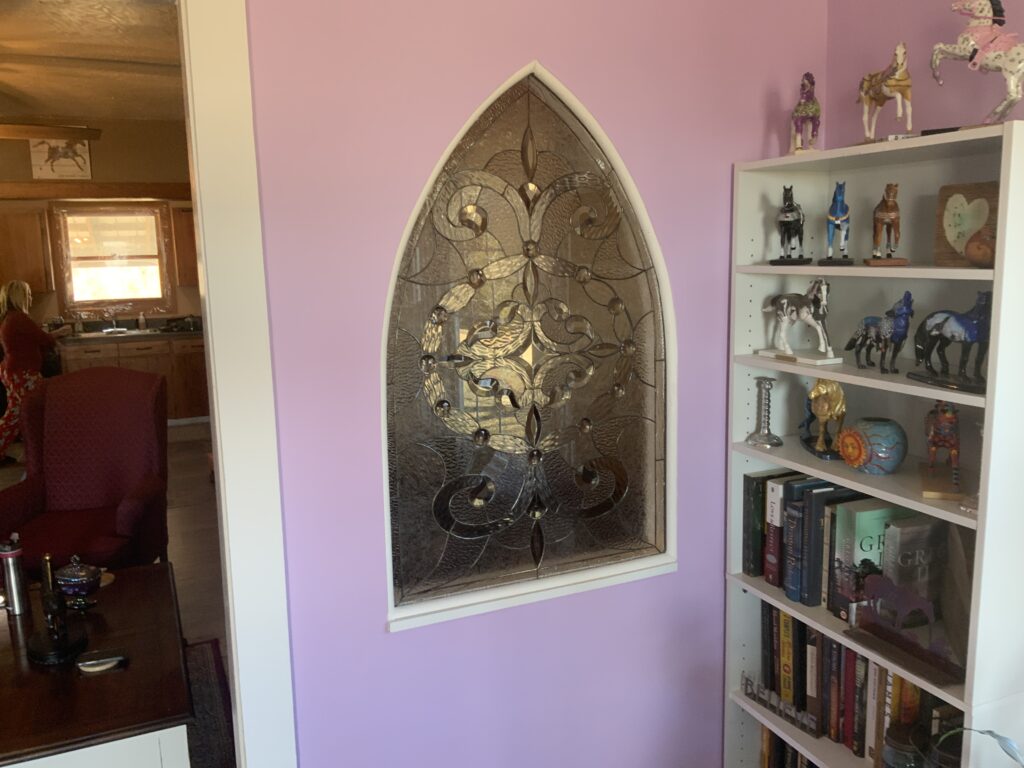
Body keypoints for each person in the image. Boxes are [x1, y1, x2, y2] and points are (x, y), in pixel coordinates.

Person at [0, 280, 71, 461]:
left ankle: (29, 452)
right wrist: (61, 331)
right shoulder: (19, 318)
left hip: (13, 372)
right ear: (20, 297)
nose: (30, 298)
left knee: (15, 415)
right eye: (28, 295)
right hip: (23, 374)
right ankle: (40, 452)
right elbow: (44, 339)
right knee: (38, 411)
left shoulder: (10, 318)